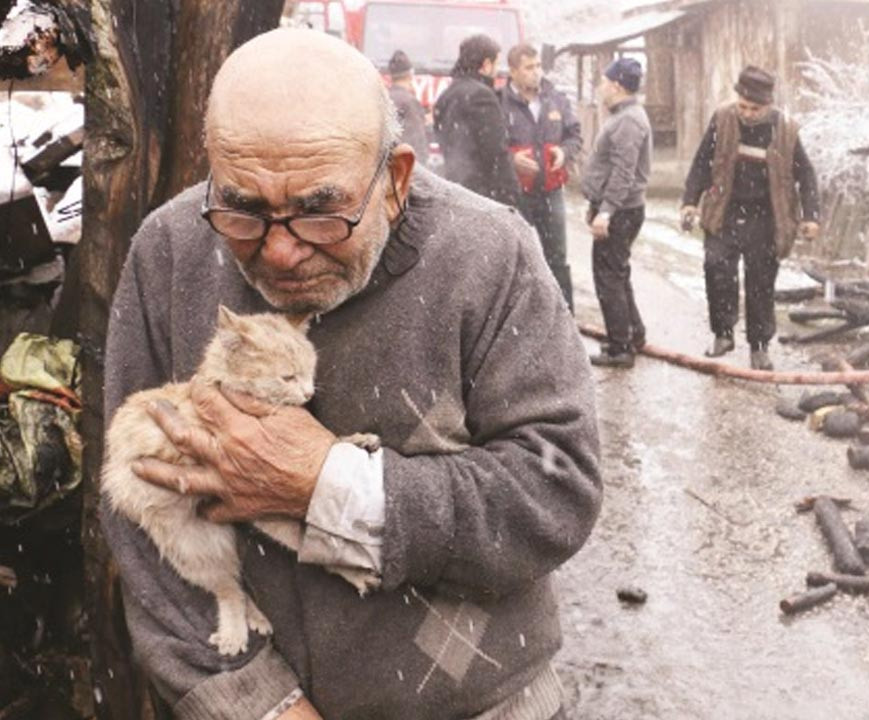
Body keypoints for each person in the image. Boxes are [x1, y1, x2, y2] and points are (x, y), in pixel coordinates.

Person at [100, 29, 600, 720]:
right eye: (244, 209)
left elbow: (556, 493)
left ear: (395, 181)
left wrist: (327, 485)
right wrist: (253, 703)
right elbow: (134, 512)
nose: (280, 251)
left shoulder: (490, 254)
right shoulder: (171, 250)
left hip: (486, 704)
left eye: (320, 211)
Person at [680, 66, 821, 371]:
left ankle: (759, 347)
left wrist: (811, 215)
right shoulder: (722, 119)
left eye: (754, 109)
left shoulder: (786, 130)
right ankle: (723, 333)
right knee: (716, 267)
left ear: (768, 104)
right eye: (742, 106)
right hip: (725, 212)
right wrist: (690, 201)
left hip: (767, 218)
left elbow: (806, 175)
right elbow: (702, 162)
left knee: (760, 283)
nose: (747, 114)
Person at [580, 58, 651, 368]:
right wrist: (596, 206)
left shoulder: (628, 121)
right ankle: (633, 333)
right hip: (619, 208)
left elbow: (623, 171)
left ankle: (621, 348)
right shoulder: (625, 116)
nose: (600, 87)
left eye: (604, 82)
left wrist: (606, 211)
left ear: (617, 86)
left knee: (608, 277)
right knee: (617, 272)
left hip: (621, 210)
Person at [501, 44, 582, 311]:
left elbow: (574, 135)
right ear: (513, 71)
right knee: (517, 259)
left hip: (551, 192)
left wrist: (565, 151)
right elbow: (491, 147)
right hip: (517, 194)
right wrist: (512, 160)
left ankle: (565, 316)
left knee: (557, 258)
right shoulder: (499, 102)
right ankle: (522, 317)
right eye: (528, 68)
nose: (536, 72)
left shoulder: (556, 99)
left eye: (538, 66)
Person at [433, 34, 519, 205]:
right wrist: (511, 194)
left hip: (455, 189)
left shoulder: (446, 95)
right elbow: (495, 151)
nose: (497, 72)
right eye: (496, 64)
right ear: (486, 65)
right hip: (482, 194)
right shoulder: (483, 96)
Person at [386, 49, 431, 163]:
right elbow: (417, 140)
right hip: (403, 163)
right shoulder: (410, 102)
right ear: (410, 75)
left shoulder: (384, 98)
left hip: (386, 161)